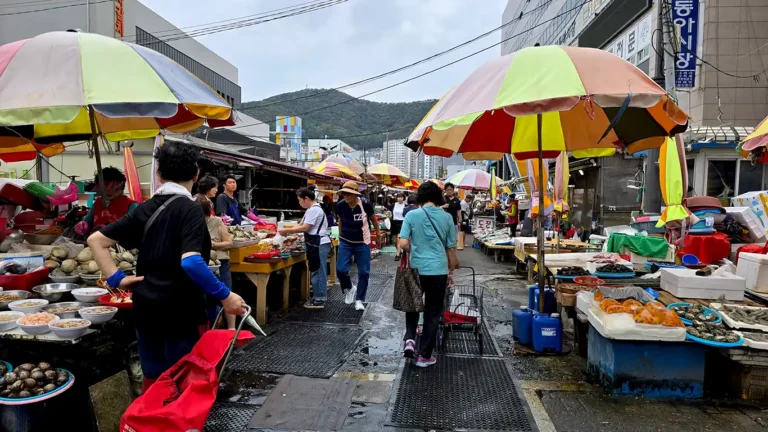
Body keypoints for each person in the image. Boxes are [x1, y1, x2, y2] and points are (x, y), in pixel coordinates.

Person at [87, 141, 246, 392]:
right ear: (196, 174)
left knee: (154, 378)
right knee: (182, 379)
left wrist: (117, 280)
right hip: (181, 313)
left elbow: (96, 241)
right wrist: (225, 295)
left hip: (146, 311)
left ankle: (152, 412)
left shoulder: (144, 209)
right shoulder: (191, 209)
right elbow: (191, 261)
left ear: (159, 174)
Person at [399, 181, 459, 367]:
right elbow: (451, 249)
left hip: (416, 268)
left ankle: (410, 339)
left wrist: (414, 249)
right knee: (433, 313)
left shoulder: (412, 215)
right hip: (438, 270)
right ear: (438, 196)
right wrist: (451, 271)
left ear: (421, 197)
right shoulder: (447, 217)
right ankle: (424, 356)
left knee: (413, 306)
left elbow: (403, 243)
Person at [279, 188, 331, 309]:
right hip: (316, 243)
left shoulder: (314, 210)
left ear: (306, 198)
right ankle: (318, 297)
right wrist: (289, 234)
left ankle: (319, 299)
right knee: (316, 269)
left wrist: (287, 231)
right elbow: (300, 225)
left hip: (319, 243)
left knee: (318, 270)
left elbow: (305, 228)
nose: (299, 203)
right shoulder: (310, 210)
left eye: (300, 200)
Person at [336, 181, 381, 311]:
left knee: (364, 272)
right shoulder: (340, 205)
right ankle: (350, 288)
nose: (345, 196)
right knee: (340, 269)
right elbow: (340, 220)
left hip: (363, 241)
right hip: (346, 240)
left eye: (348, 193)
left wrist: (377, 234)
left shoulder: (365, 204)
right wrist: (340, 236)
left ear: (355, 194)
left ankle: (360, 299)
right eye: (344, 193)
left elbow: (373, 219)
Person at [195, 196, 236, 330]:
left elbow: (229, 243)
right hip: (202, 266)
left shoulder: (217, 221)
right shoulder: (191, 223)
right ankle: (210, 329)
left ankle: (231, 329)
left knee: (226, 295)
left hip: (220, 263)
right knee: (207, 299)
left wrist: (212, 245)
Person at [75, 167, 138, 236]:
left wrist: (111, 230)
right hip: (95, 240)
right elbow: (88, 220)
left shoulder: (131, 205)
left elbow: (134, 229)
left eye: (115, 188)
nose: (109, 191)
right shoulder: (98, 202)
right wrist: (83, 224)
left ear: (122, 188)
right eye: (105, 188)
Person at [391, 194, 406, 260]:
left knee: (398, 239)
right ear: (396, 198)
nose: (400, 198)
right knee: (395, 241)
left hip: (402, 222)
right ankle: (399, 251)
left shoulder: (405, 206)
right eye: (398, 197)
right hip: (394, 222)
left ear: (403, 198)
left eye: (401, 197)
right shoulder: (393, 205)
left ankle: (398, 254)